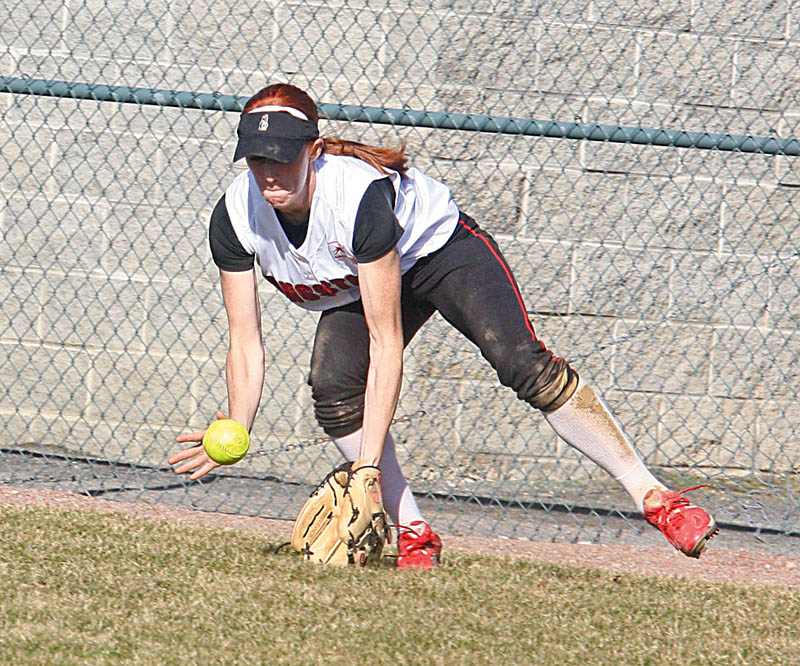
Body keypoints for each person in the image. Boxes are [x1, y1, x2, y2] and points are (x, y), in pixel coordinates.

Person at [168, 83, 718, 569]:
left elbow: (387, 344)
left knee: (524, 366)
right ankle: (414, 531)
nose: (269, 172)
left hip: (438, 253)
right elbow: (245, 340)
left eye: (283, 157)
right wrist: (238, 421)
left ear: (314, 151)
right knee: (334, 391)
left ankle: (655, 498)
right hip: (361, 276)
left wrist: (365, 469)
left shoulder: (357, 199)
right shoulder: (237, 215)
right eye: (257, 158)